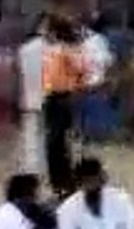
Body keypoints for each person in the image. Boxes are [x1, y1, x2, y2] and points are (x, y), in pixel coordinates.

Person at [42, 14, 86, 197]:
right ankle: (58, 182)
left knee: (57, 142)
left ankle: (65, 182)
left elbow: (81, 70)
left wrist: (74, 85)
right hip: (51, 98)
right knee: (53, 144)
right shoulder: (52, 50)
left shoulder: (67, 50)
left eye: (47, 28)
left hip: (62, 98)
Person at [16, 17, 46, 175]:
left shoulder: (24, 49)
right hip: (50, 98)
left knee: (31, 133)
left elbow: (20, 75)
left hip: (30, 95)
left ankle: (32, 168)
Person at [80, 14, 117, 141]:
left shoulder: (86, 40)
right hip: (99, 82)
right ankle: (98, 134)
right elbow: (109, 62)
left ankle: (86, 133)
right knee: (99, 108)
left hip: (85, 81)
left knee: (87, 108)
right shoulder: (103, 41)